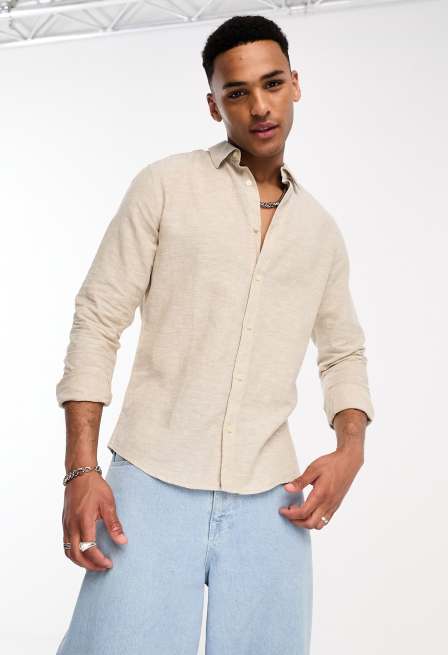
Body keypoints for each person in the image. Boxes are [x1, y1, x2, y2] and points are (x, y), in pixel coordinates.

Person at [55, 14, 375, 655]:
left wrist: (350, 450)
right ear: (213, 105)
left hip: (272, 500)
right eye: (237, 92)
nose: (259, 106)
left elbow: (343, 352)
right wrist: (80, 469)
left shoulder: (320, 231)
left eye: (272, 84)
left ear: (295, 85)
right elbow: (98, 317)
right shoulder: (166, 187)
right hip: (150, 482)